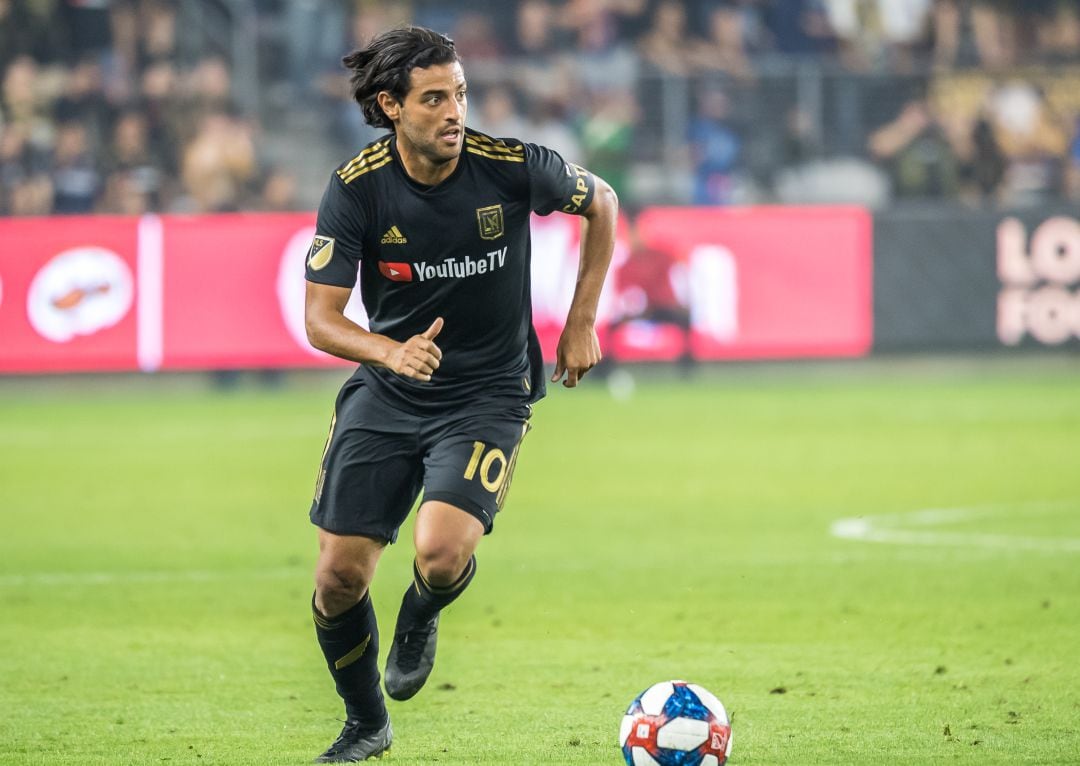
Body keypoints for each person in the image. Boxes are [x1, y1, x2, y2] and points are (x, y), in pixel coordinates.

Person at [302, 26, 618, 763]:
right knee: (338, 576)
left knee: (440, 555)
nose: (455, 112)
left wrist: (581, 320)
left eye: (462, 94)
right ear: (392, 105)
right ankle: (365, 725)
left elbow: (601, 203)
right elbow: (319, 319)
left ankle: (421, 614)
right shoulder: (357, 187)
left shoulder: (511, 168)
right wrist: (389, 351)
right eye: (435, 98)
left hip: (488, 394)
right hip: (389, 390)